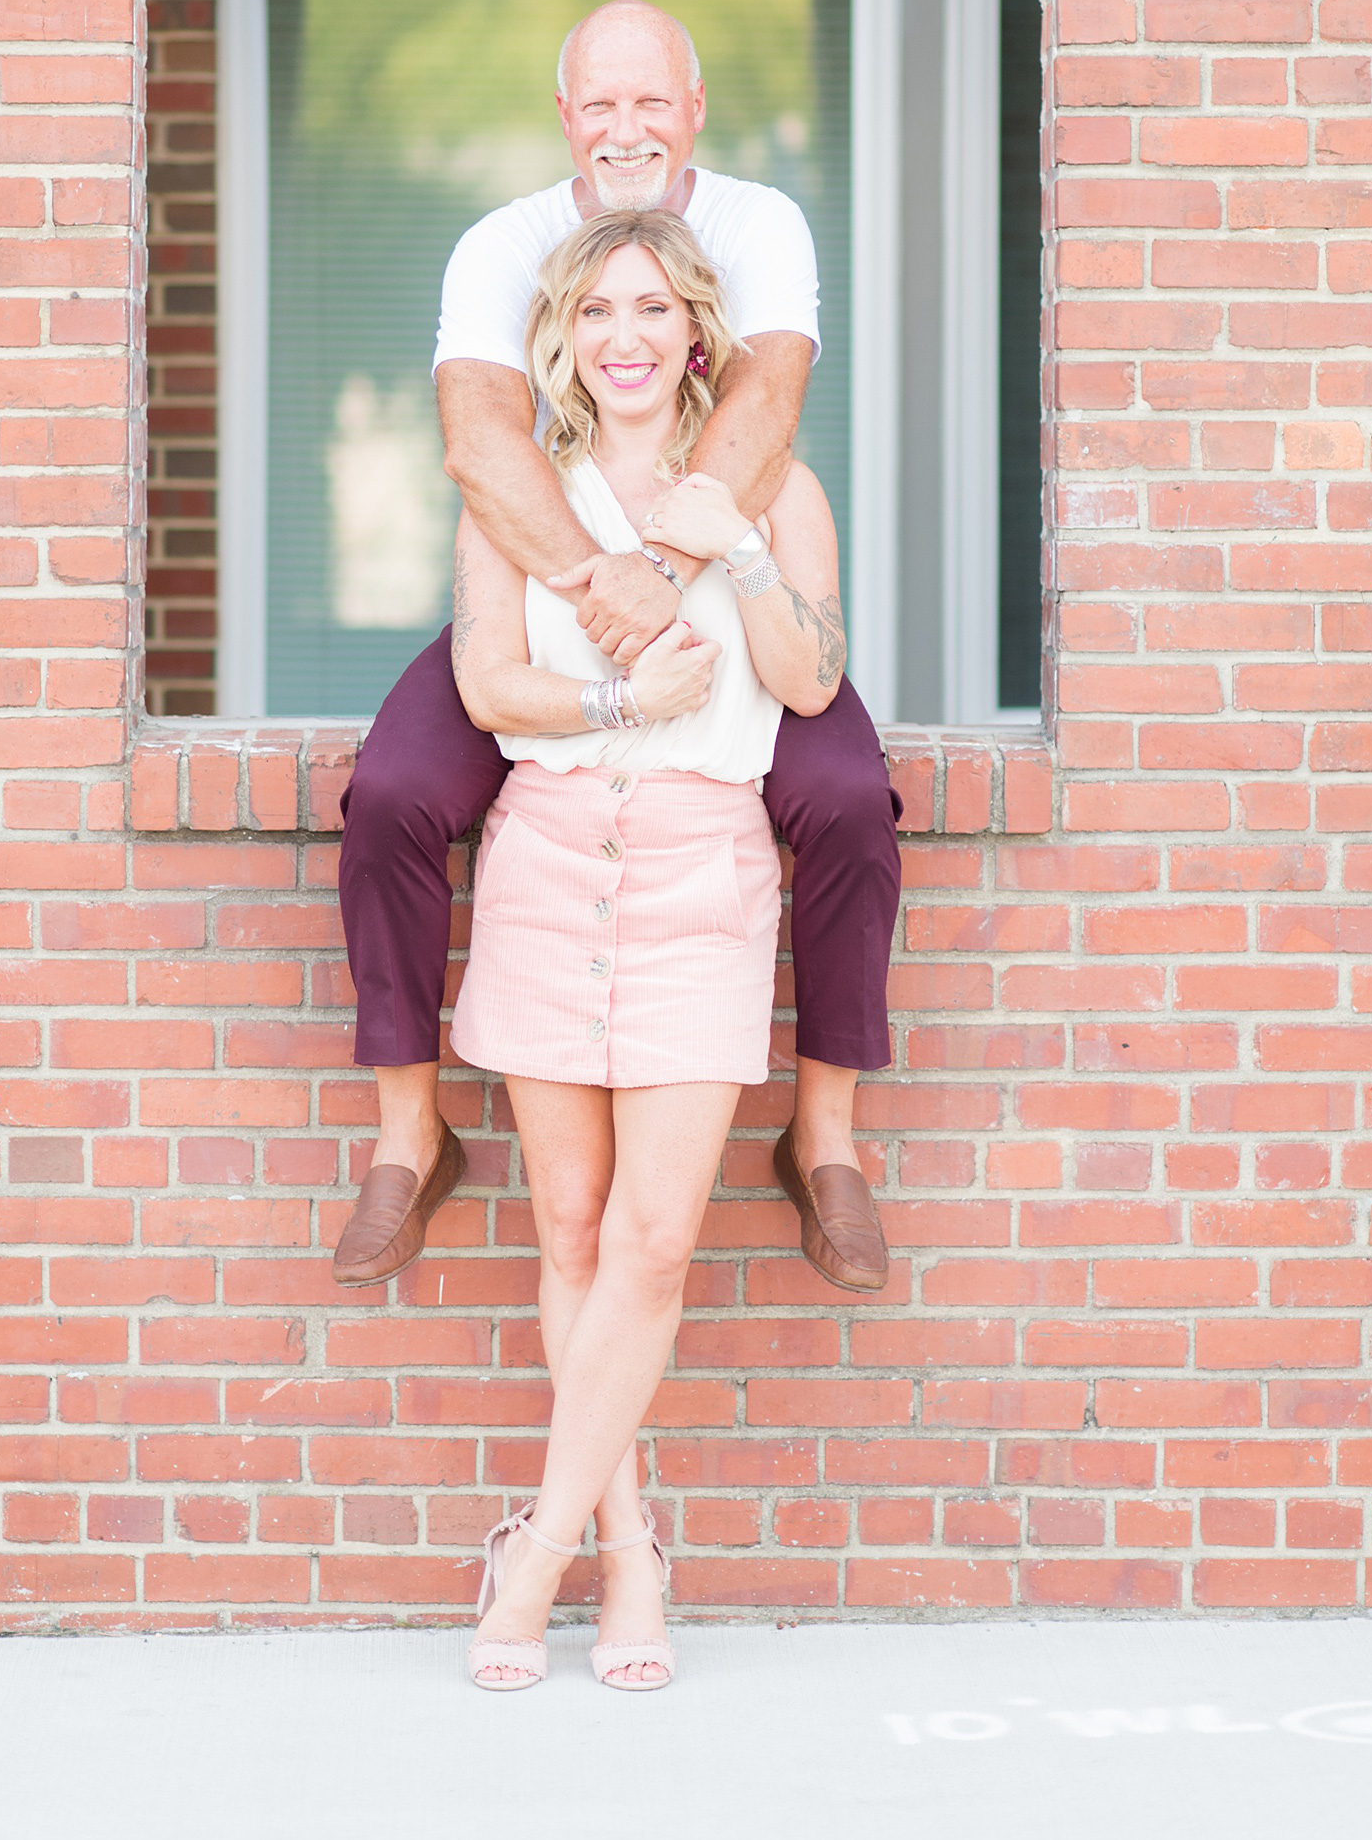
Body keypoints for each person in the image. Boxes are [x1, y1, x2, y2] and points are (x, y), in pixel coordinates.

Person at [333, 0, 902, 1297]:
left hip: (713, 577)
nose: (626, 127)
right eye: (600, 103)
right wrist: (608, 586)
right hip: (559, 577)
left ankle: (824, 1139)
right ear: (565, 118)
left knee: (851, 797)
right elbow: (482, 442)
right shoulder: (503, 241)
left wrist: (676, 571)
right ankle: (408, 1137)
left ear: (695, 110)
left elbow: (764, 411)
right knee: (395, 794)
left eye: (653, 101)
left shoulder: (760, 223)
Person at [450, 208, 848, 1691]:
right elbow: (493, 689)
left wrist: (736, 548)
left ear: (700, 335)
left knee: (656, 1241)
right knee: (569, 1230)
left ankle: (537, 1550)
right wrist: (622, 701)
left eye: (654, 308)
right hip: (553, 857)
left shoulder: (782, 487)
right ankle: (626, 1552)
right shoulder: (522, 497)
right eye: (596, 309)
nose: (625, 335)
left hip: (700, 872)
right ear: (568, 336)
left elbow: (808, 681)